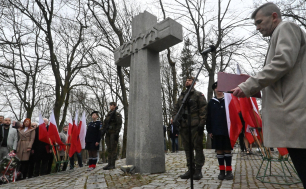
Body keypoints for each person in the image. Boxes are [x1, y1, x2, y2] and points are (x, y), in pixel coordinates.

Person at [232, 2, 306, 188]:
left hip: (294, 114)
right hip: (292, 112)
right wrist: (257, 89)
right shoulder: (279, 33)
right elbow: (284, 77)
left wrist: (250, 84)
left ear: (274, 16)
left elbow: (282, 62)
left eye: (259, 22)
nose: (257, 28)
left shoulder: (286, 27)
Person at [172, 76, 207, 180]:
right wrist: (175, 119)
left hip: (195, 125)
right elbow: (176, 109)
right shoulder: (182, 96)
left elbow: (203, 109)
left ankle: (198, 170)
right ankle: (190, 169)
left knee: (198, 147)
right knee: (188, 149)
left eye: (190, 80)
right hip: (184, 126)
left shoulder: (198, 95)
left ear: (194, 83)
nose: (187, 82)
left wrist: (202, 123)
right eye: (186, 80)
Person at [206, 82, 233, 180]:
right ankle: (222, 171)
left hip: (227, 130)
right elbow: (208, 117)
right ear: (214, 90)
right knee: (219, 151)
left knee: (227, 150)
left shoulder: (228, 100)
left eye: (220, 87)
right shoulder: (211, 102)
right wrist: (209, 130)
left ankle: (229, 171)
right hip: (216, 130)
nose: (218, 89)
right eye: (216, 88)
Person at [102, 102, 122, 170]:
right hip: (108, 133)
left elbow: (119, 124)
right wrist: (103, 131)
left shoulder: (117, 114)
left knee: (113, 149)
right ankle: (109, 163)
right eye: (110, 105)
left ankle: (112, 164)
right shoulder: (108, 115)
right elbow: (105, 123)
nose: (110, 106)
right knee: (109, 149)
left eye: (112, 105)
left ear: (115, 106)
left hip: (113, 133)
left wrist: (116, 133)